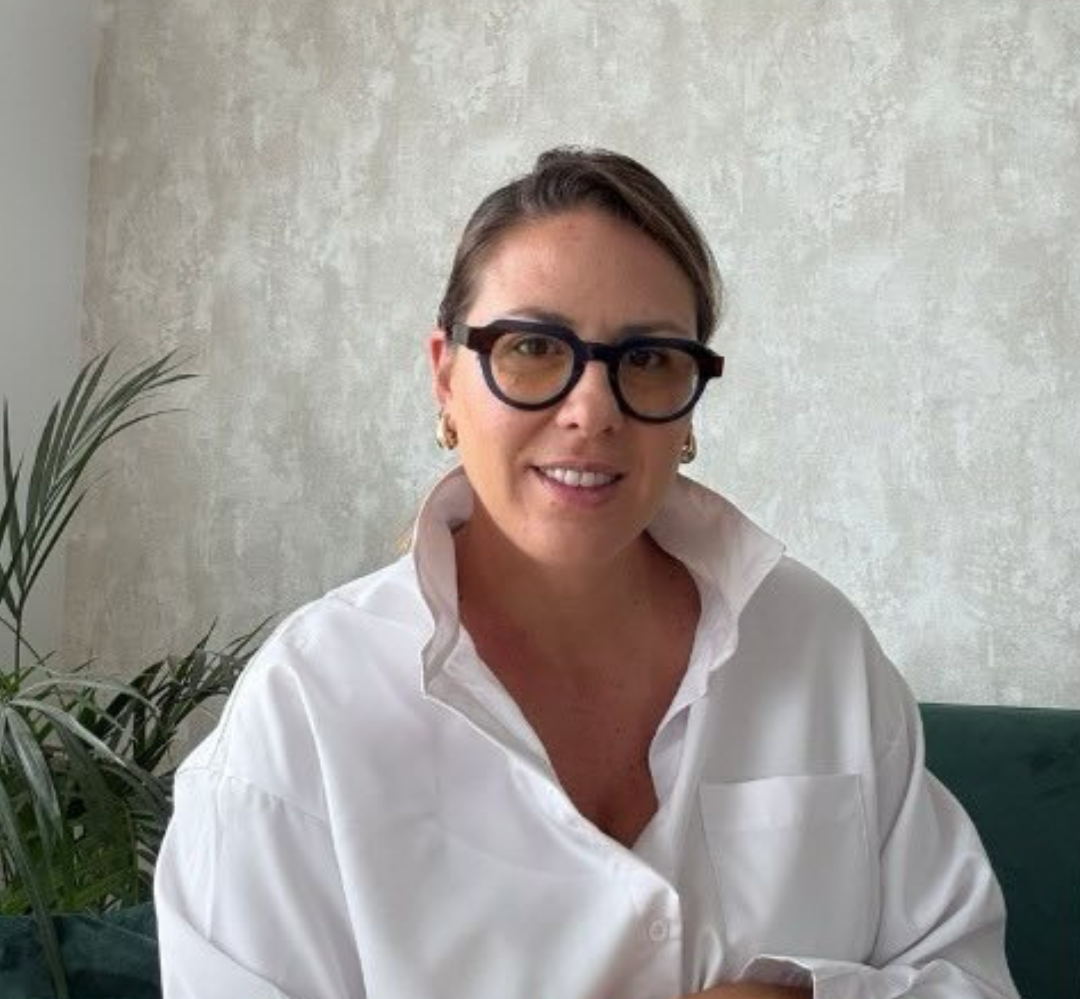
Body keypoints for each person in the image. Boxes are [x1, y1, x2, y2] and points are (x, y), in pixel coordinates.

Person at [155, 147, 1019, 999]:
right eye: (532, 345)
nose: (591, 411)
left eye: (647, 359)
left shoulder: (818, 644)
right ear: (445, 378)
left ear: (690, 404)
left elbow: (968, 976)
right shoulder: (304, 708)